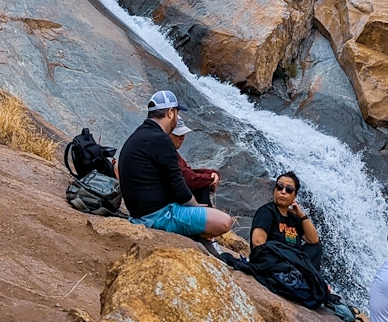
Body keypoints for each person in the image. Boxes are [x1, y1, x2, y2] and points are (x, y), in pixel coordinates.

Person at [117, 90, 232, 247]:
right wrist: (196, 207)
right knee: (224, 221)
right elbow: (177, 185)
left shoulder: (140, 135)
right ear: (170, 113)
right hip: (157, 216)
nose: (177, 118)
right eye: (176, 113)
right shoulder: (161, 140)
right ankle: (195, 237)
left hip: (140, 213)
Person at [250, 171, 321, 263]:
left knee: (315, 247)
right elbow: (258, 243)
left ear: (294, 196)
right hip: (272, 261)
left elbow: (313, 240)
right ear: (274, 190)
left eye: (289, 190)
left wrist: (302, 216)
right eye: (279, 187)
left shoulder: (294, 218)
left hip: (292, 262)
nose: (283, 192)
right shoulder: (266, 212)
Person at [169, 117, 219, 206]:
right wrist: (210, 178)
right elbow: (189, 179)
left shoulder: (171, 151)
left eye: (183, 134)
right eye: (177, 134)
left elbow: (187, 172)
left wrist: (210, 173)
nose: (182, 138)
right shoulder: (166, 153)